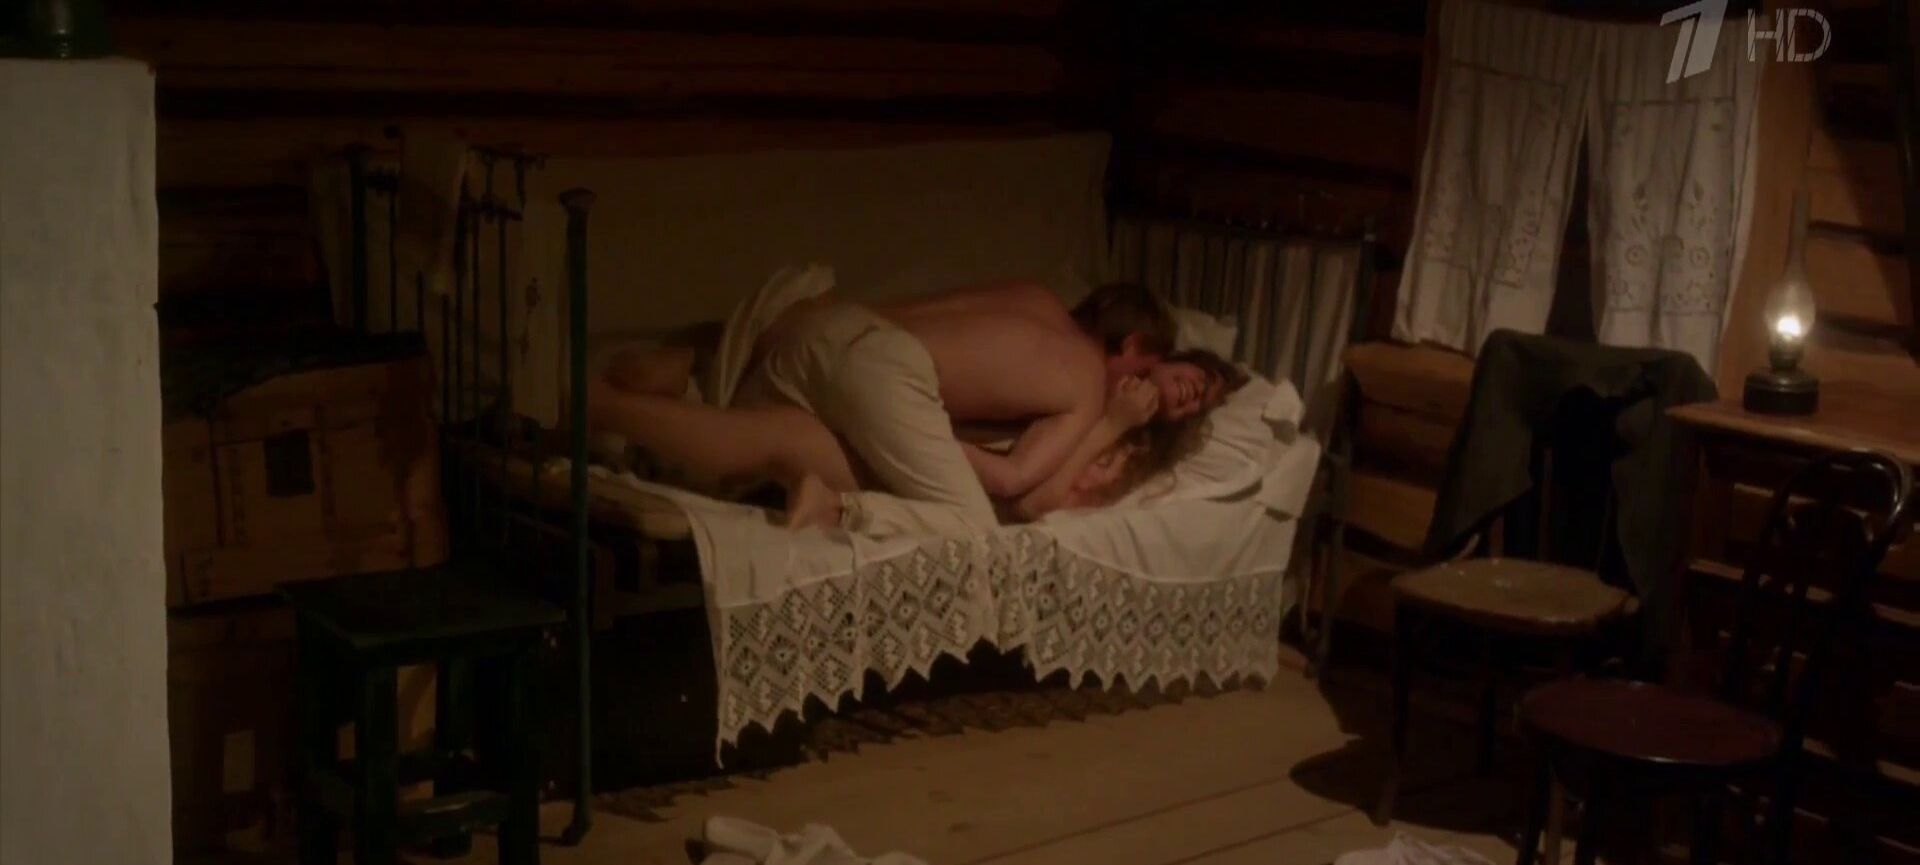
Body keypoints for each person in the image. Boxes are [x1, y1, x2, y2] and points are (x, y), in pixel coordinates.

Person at [588, 280, 1224, 535]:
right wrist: (1111, 422)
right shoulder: (1087, 381)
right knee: (974, 529)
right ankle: (837, 508)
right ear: (1132, 349)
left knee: (757, 436)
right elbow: (1014, 486)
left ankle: (632, 393)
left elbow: (922, 311)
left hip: (831, 325)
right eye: (1149, 370)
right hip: (884, 373)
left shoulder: (1035, 299)